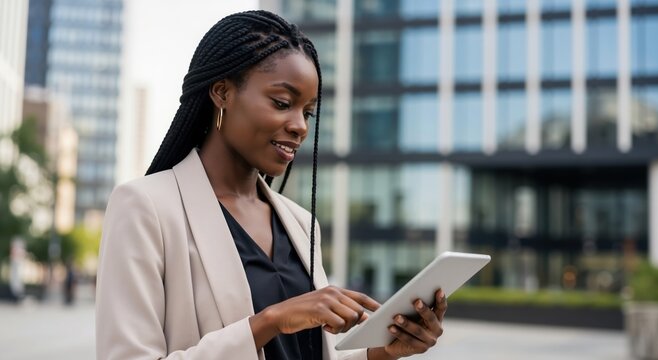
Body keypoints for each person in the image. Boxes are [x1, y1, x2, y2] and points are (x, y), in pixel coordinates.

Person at [95, 10, 447, 360]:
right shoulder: (145, 207)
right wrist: (271, 321)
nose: (300, 127)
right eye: (282, 103)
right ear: (222, 93)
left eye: (307, 112)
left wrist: (383, 353)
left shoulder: (301, 224)